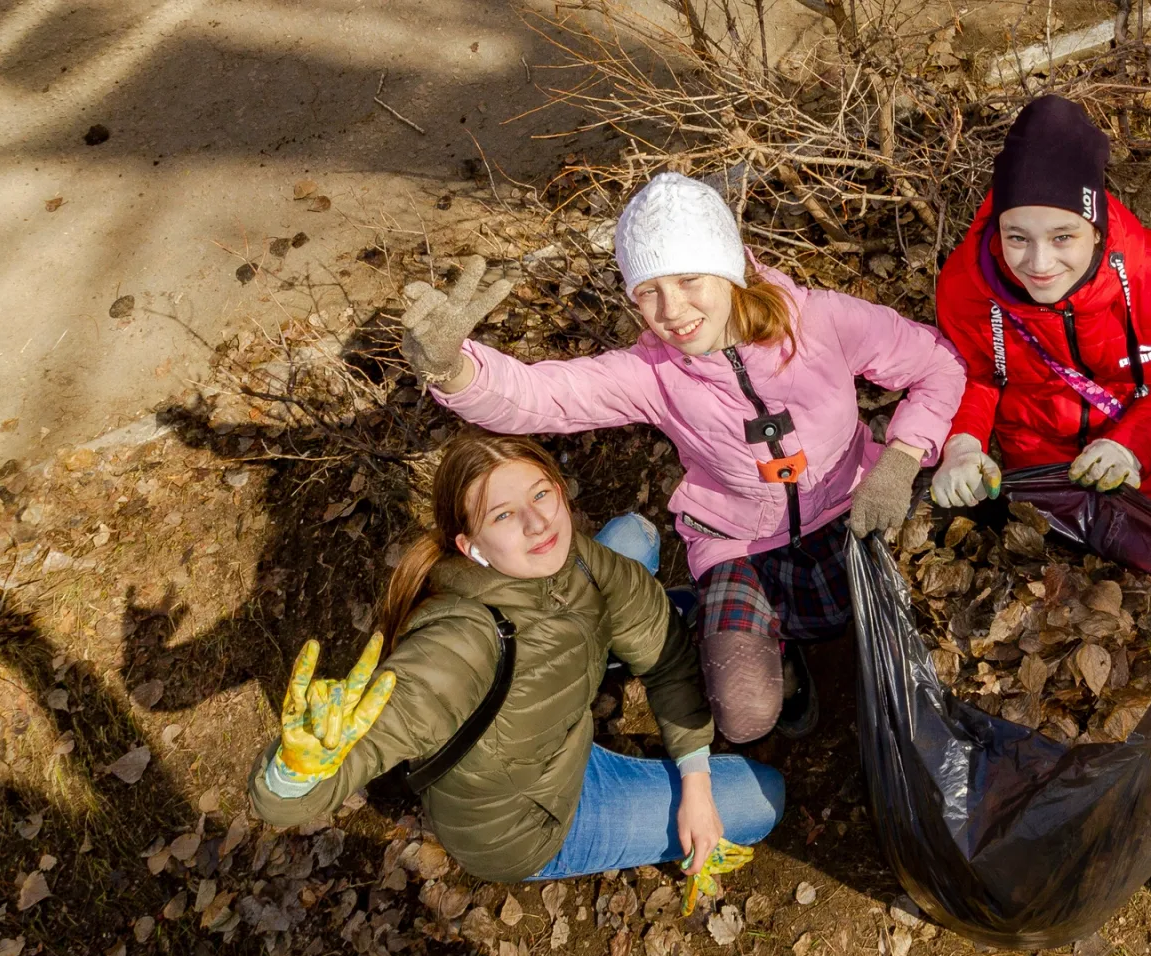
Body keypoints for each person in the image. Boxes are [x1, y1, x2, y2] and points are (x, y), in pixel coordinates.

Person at [399, 173, 966, 742]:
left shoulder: (821, 322)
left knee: (908, 619)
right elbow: (544, 397)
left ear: (728, 268)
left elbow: (936, 365)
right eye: (648, 291)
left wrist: (902, 457)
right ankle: (784, 668)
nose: (671, 310)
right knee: (744, 714)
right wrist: (454, 369)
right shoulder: (654, 374)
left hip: (855, 507)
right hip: (741, 543)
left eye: (690, 278)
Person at [248, 430, 785, 885]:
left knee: (634, 537)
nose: (538, 524)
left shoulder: (575, 557)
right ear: (470, 546)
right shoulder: (460, 643)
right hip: (532, 820)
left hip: (555, 731)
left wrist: (694, 781)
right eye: (504, 515)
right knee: (764, 798)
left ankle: (596, 656)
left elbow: (667, 655)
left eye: (541, 495)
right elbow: (320, 777)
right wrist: (294, 775)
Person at [930, 95, 1151, 515]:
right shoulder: (965, 285)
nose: (1039, 264)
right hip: (1038, 461)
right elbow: (974, 376)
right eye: (1017, 237)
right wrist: (963, 443)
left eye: (1062, 237)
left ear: (1097, 226)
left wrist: (1131, 446)